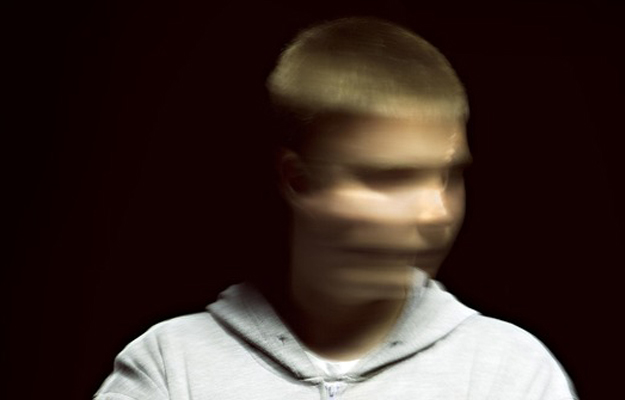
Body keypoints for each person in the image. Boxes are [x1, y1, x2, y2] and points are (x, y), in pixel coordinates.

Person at [95, 17, 577, 400]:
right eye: (392, 177)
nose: (436, 213)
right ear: (299, 180)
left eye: (449, 176)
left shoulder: (513, 374)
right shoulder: (171, 368)